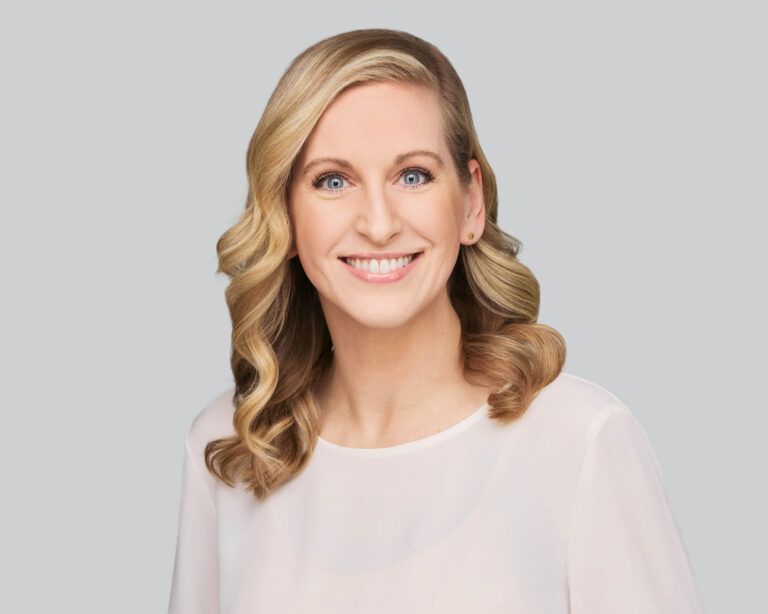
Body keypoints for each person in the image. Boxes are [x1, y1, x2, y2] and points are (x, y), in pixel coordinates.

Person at [169, 28, 704, 613]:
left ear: (471, 203)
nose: (378, 223)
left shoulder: (581, 441)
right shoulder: (230, 444)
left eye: (414, 175)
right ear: (285, 217)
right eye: (333, 180)